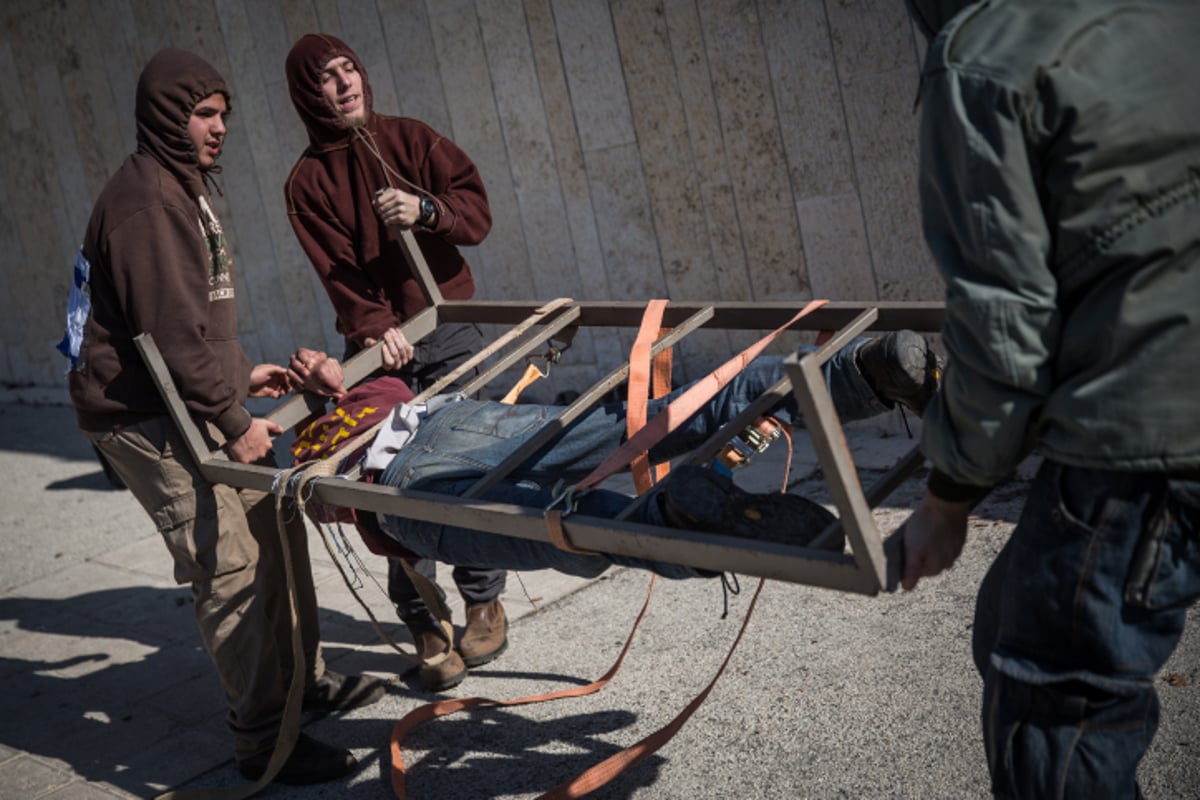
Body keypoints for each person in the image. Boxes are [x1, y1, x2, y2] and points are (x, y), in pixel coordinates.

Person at [897, 2, 1200, 798]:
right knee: (1008, 615)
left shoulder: (984, 52)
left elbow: (1003, 332)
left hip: (1149, 429)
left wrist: (949, 496)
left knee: (1057, 710)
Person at [67, 48, 386, 787]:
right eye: (203, 114)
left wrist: (244, 375)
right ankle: (262, 741)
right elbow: (171, 337)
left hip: (188, 391)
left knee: (275, 525)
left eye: (223, 115)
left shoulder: (184, 187)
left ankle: (303, 688)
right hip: (139, 415)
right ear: (165, 116)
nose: (218, 128)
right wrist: (231, 415)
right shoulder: (146, 203)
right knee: (229, 562)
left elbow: (198, 324)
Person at [286, 329, 941, 579]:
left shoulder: (298, 447)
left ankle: (680, 522)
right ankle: (860, 373)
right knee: (653, 420)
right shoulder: (373, 383)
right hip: (451, 419)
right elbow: (389, 353)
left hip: (396, 482)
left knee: (579, 529)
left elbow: (304, 498)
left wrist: (256, 407)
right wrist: (334, 367)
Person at [283, 32, 506, 691]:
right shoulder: (305, 183)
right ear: (308, 93)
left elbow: (477, 215)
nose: (346, 83)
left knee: (469, 470)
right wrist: (379, 330)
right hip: (382, 353)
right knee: (390, 483)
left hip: (451, 332)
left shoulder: (411, 139)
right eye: (328, 77)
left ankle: (483, 598)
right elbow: (338, 275)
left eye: (351, 69)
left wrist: (426, 208)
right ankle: (422, 612)